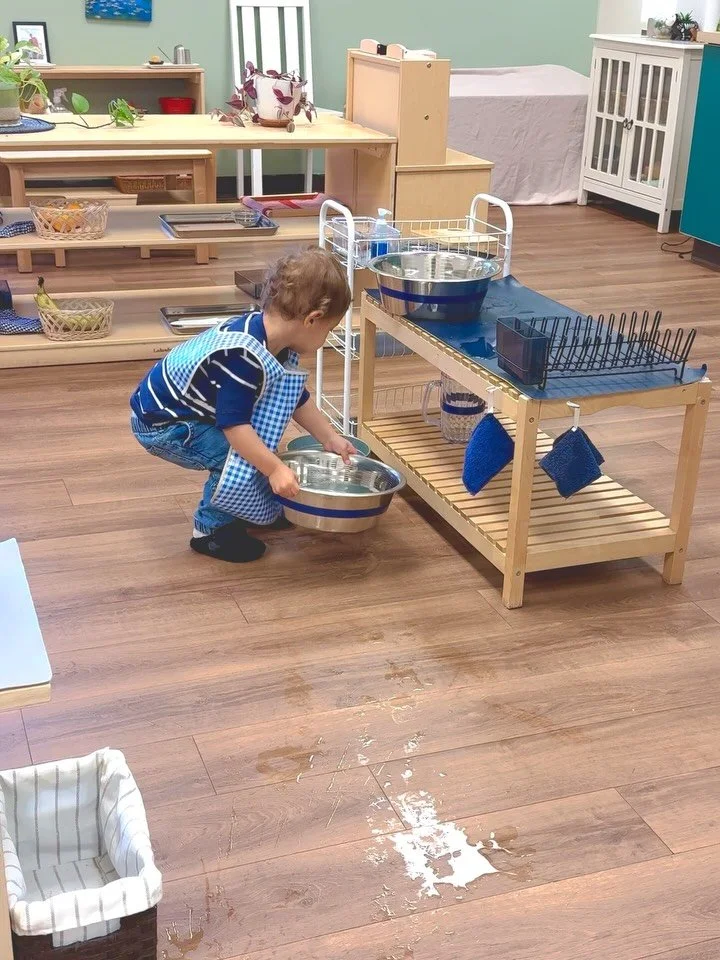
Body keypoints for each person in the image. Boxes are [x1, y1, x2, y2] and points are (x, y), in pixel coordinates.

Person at [129, 247, 356, 562]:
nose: (326, 338)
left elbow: (296, 398)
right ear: (312, 319)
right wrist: (275, 469)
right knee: (238, 457)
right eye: (329, 330)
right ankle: (210, 532)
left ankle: (250, 505)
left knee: (257, 451)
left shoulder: (270, 335)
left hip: (186, 409)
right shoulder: (244, 357)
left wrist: (329, 437)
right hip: (163, 424)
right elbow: (235, 428)